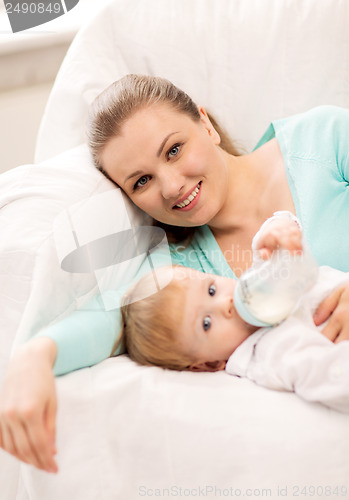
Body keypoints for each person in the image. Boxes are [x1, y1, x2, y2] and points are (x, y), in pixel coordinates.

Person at [1, 74, 349, 472]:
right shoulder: (185, 274)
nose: (169, 187)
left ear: (205, 123)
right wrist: (35, 356)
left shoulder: (324, 142)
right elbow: (109, 317)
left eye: (173, 150)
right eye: (142, 181)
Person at [119, 223, 349, 414]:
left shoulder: (257, 293)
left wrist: (276, 233)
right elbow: (333, 379)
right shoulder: (271, 352)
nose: (225, 304)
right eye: (206, 323)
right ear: (209, 364)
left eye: (211, 290)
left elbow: (273, 252)